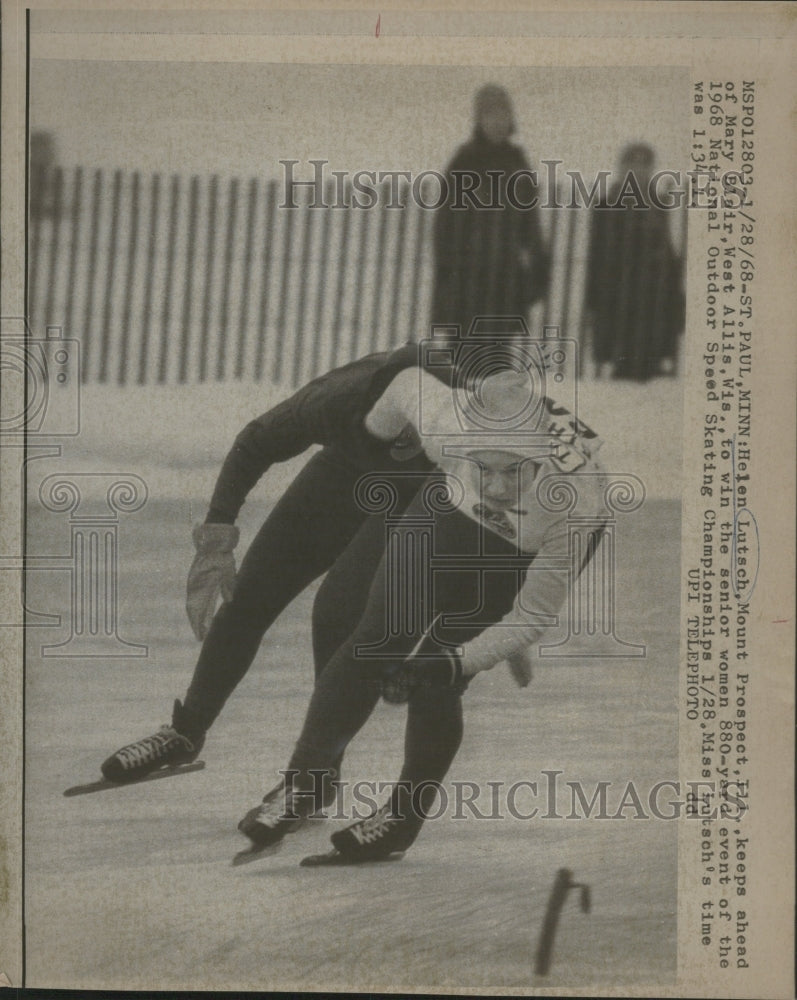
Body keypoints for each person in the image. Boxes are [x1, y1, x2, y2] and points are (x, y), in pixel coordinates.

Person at [237, 367, 609, 864]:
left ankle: (401, 819)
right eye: (486, 467)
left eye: (514, 471)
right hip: (448, 507)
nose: (498, 488)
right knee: (377, 638)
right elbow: (400, 383)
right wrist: (370, 445)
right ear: (463, 444)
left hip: (527, 546)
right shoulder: (444, 422)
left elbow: (535, 613)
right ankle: (304, 784)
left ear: (540, 462)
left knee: (440, 678)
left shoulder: (575, 500)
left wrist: (461, 660)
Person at [431, 84, 550, 337]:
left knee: (498, 362)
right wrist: (450, 274)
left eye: (503, 115)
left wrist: (538, 271)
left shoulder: (518, 163)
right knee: (462, 361)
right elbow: (445, 225)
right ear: (479, 120)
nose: (498, 122)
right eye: (490, 115)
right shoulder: (464, 162)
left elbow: (530, 224)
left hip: (505, 281)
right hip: (467, 280)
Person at [584, 142, 685, 381]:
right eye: (632, 165)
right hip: (619, 294)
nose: (638, 171)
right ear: (621, 169)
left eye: (644, 165)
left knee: (650, 361)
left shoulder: (659, 204)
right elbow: (596, 253)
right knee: (624, 363)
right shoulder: (607, 204)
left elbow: (667, 248)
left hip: (653, 295)